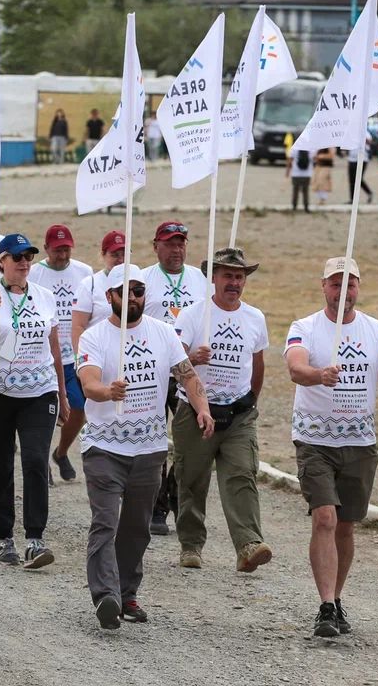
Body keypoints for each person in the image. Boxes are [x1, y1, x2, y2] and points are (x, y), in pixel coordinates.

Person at [284, 257, 378, 638]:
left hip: (360, 444)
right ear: (323, 287)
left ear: (358, 289)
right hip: (315, 440)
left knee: (346, 527)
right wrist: (319, 375)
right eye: (336, 284)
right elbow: (295, 368)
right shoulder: (304, 327)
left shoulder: (376, 330)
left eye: (350, 284)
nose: (343, 291)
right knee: (325, 518)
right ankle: (325, 606)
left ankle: (336, 597)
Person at [75, 263, 214, 629]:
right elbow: (88, 384)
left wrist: (202, 409)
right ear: (110, 297)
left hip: (149, 448)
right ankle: (105, 595)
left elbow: (188, 375)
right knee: (105, 522)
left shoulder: (164, 333)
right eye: (126, 292)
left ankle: (127, 592)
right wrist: (108, 391)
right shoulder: (93, 337)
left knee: (137, 527)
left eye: (139, 291)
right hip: (104, 446)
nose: (134, 298)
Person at [0, 233, 69, 568]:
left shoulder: (44, 296)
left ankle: (36, 539)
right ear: (1, 261)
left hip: (39, 392)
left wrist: (62, 393)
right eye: (16, 257)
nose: (24, 263)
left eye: (28, 257)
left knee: (36, 461)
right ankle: (5, 539)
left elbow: (54, 345)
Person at [172, 248, 272, 572]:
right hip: (195, 411)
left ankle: (248, 545)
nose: (234, 282)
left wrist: (250, 401)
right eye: (227, 275)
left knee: (242, 473)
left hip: (239, 413)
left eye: (239, 276)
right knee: (191, 479)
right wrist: (193, 360)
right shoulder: (191, 315)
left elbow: (258, 364)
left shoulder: (255, 317)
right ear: (212, 278)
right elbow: (173, 362)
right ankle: (190, 544)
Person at [140, 219, 208, 535]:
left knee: (188, 443)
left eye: (181, 243)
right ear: (156, 246)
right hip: (155, 372)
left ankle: (177, 500)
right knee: (155, 439)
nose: (176, 249)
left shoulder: (200, 280)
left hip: (189, 371)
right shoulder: (143, 280)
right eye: (169, 243)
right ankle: (156, 506)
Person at [29, 224, 93, 481]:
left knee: (78, 408)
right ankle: (40, 459)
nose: (63, 255)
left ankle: (62, 451)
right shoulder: (34, 273)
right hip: (43, 355)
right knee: (44, 413)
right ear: (46, 249)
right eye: (57, 250)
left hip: (73, 355)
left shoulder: (84, 272)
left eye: (66, 249)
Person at [289, 145, 312, 212]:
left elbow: (290, 160)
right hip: (307, 173)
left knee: (295, 190)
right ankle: (306, 207)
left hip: (296, 173)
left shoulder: (294, 148)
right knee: (305, 191)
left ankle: (294, 206)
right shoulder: (311, 148)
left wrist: (287, 172)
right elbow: (314, 158)